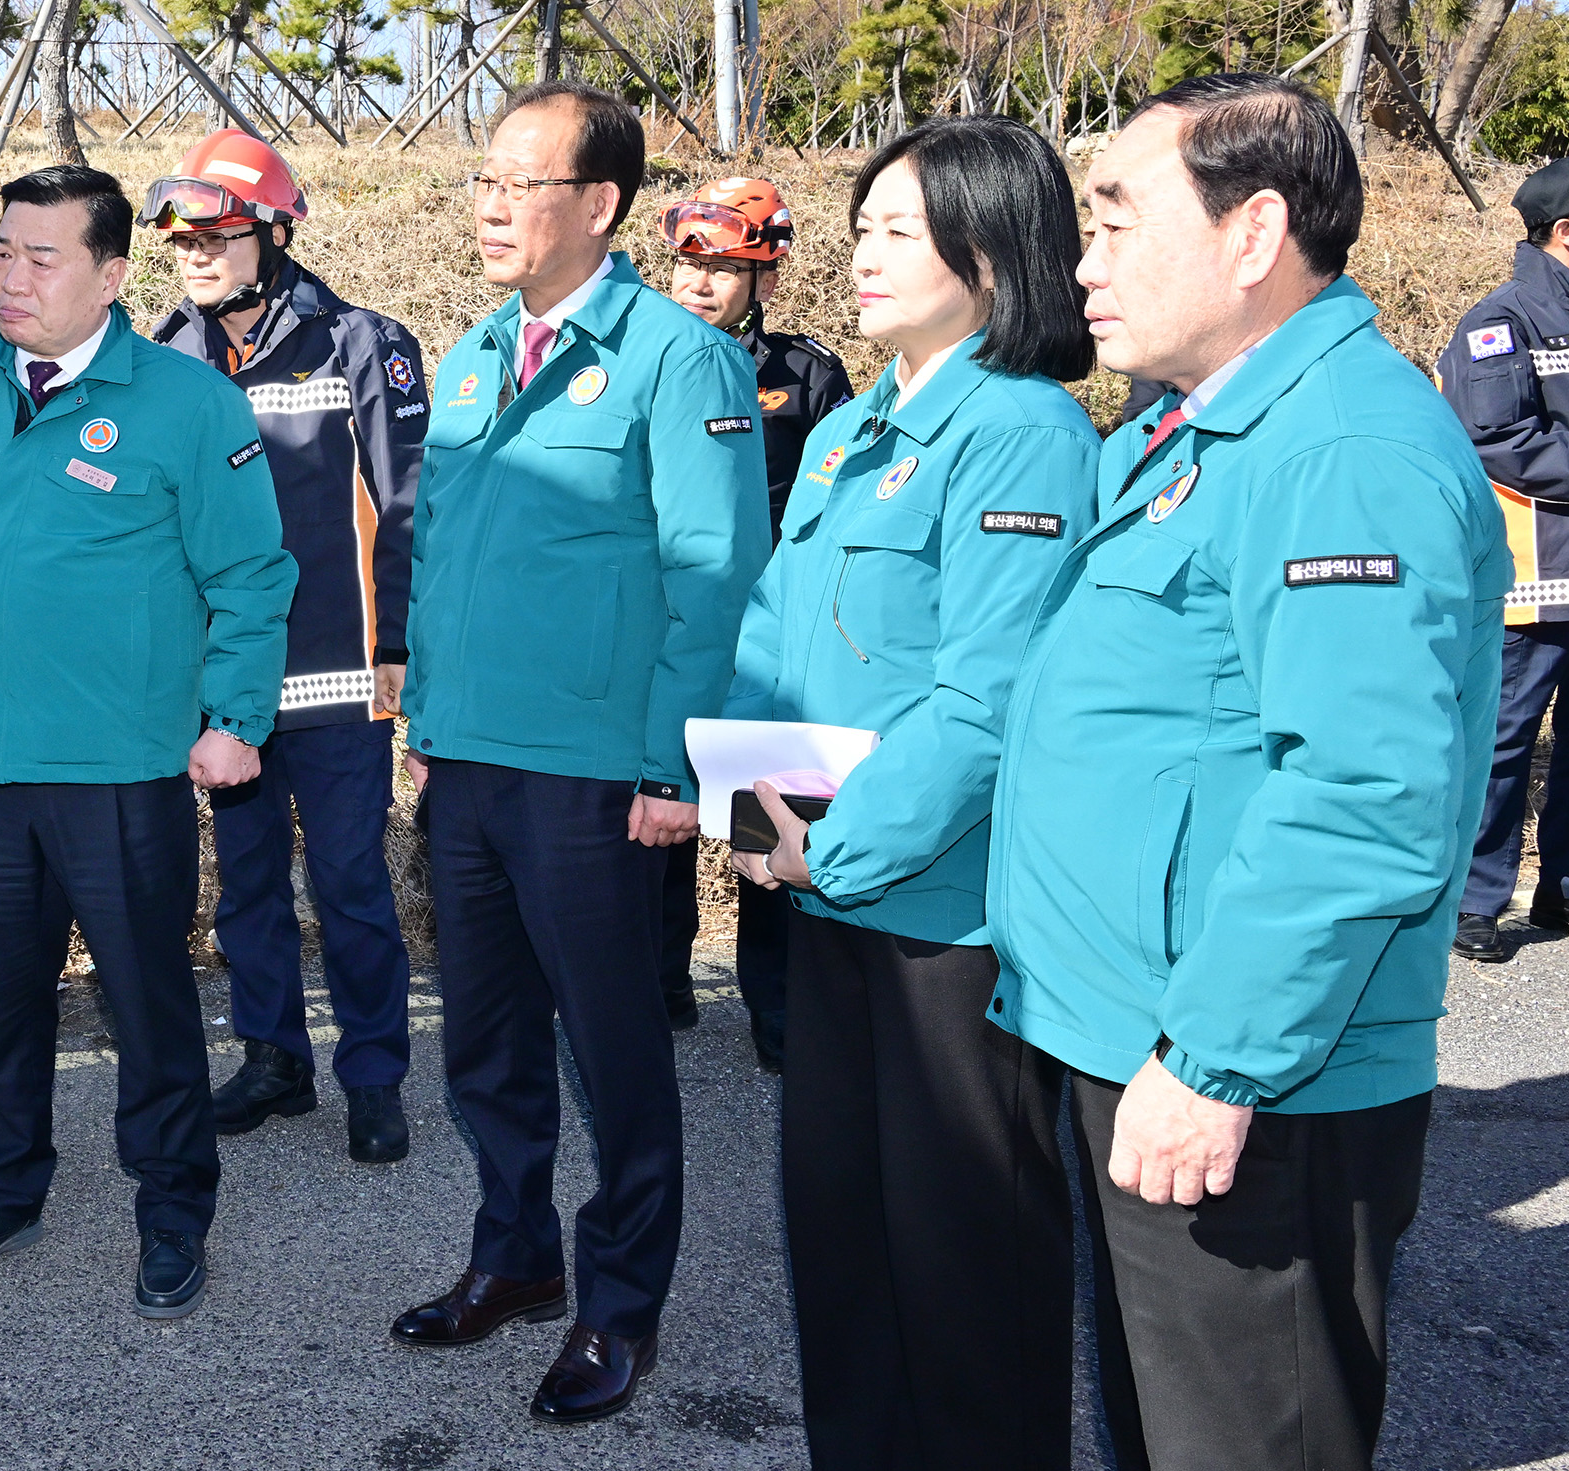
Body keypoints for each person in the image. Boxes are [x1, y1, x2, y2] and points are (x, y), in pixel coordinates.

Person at [989, 73, 1509, 1471]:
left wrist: (1219, 1053)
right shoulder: (1190, 425)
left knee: (1246, 1436)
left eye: (1114, 221)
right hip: (1147, 1036)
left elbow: (1361, 793)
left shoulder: (1339, 446)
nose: (1082, 263)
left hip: (1244, 1069)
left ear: (1252, 228)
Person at [723, 118, 1099, 1470]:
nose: (863, 253)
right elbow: (773, 634)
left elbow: (989, 694)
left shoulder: (1023, 431)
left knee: (963, 1265)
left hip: (947, 920)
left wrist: (835, 848)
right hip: (821, 896)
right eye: (865, 223)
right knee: (842, 1236)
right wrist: (751, 816)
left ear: (992, 254)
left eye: (899, 227)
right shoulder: (854, 427)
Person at [388, 82, 767, 1424]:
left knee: (615, 1056)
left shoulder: (680, 359)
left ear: (597, 203)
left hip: (600, 773)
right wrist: (425, 716)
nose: (491, 204)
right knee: (483, 1039)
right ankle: (513, 1256)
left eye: (520, 182)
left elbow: (715, 574)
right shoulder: (480, 349)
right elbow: (441, 553)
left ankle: (619, 1304)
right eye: (481, 180)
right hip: (471, 759)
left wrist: (680, 768)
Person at [0, 164, 294, 1320]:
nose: (11, 278)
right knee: (3, 999)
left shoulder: (183, 400)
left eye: (40, 257)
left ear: (110, 275)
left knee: (147, 999)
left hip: (121, 769)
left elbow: (252, 573)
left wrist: (235, 721)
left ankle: (171, 1208)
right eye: (1, 254)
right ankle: (4, 1191)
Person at [145, 130, 424, 1165]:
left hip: (343, 676)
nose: (196, 255)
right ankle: (274, 1059)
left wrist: (402, 646)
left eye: (215, 233)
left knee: (350, 881)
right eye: (180, 241)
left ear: (270, 230)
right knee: (248, 885)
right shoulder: (168, 354)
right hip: (228, 687)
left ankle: (375, 1072)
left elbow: (403, 507)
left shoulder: (362, 342)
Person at [661, 174, 852, 1068]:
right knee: (656, 799)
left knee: (764, 817)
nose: (700, 283)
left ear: (765, 279)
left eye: (725, 268)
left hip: (769, 637)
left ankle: (777, 1013)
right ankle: (660, 983)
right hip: (665, 624)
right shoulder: (643, 362)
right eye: (689, 264)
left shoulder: (808, 375)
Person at [1436, 149, 1569, 962]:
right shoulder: (1498, 323)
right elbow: (1499, 441)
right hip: (1536, 576)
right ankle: (1477, 899)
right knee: (1505, 736)